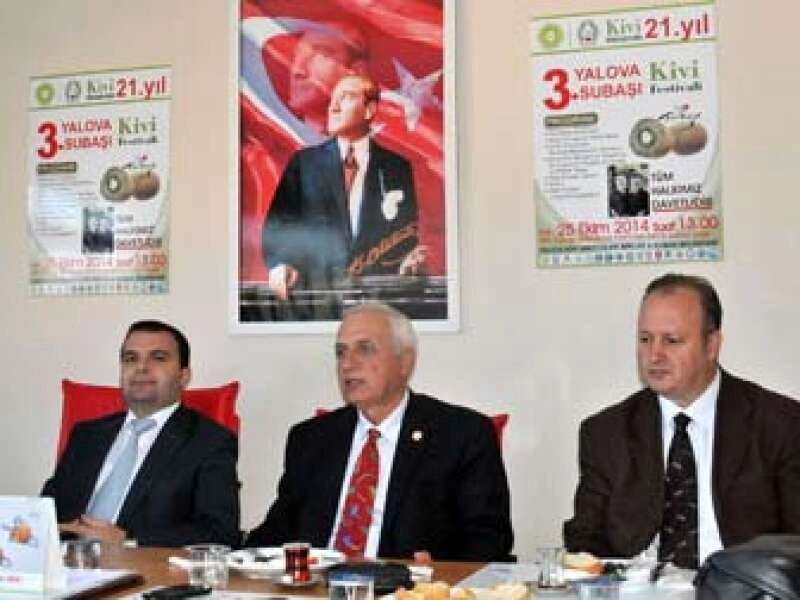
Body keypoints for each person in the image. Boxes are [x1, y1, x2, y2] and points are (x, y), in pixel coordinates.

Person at [563, 274, 800, 568]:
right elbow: (585, 539)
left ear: (711, 345)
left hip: (740, 585)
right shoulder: (605, 433)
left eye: (672, 341)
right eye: (645, 339)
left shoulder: (781, 425)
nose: (654, 355)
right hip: (637, 586)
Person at [245, 302, 513, 561]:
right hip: (317, 583)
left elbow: (489, 537)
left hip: (407, 584)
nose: (347, 364)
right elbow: (278, 530)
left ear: (405, 362)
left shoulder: (461, 435)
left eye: (365, 349)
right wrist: (238, 558)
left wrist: (438, 566)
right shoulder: (310, 439)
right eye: (341, 352)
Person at [42, 320, 240, 547]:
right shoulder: (87, 435)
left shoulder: (210, 442)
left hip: (142, 564)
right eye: (131, 358)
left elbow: (220, 531)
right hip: (66, 559)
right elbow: (46, 509)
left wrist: (128, 541)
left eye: (158, 358)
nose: (141, 367)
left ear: (184, 376)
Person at [262, 74, 425, 303]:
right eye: (332, 100)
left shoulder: (396, 168)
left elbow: (404, 234)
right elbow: (277, 226)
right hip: (316, 300)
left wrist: (406, 262)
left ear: (369, 110)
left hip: (376, 301)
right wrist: (281, 264)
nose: (333, 107)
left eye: (346, 97)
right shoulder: (304, 164)